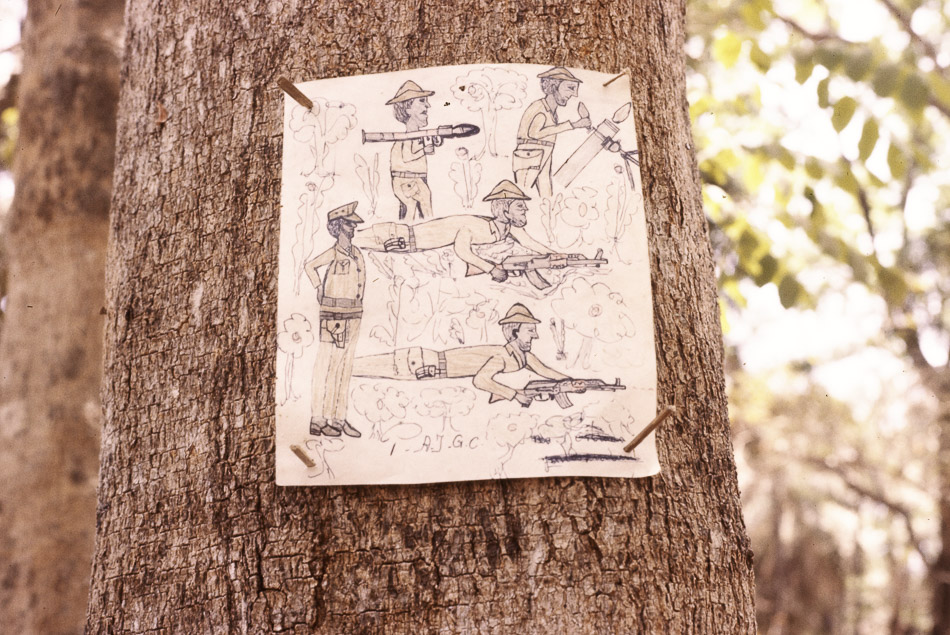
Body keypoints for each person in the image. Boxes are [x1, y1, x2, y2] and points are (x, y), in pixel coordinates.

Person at [352, 303, 570, 405]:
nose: (535, 336)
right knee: (351, 368)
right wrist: (514, 394)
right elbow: (481, 380)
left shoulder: (521, 356)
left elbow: (545, 370)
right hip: (418, 364)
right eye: (530, 331)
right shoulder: (502, 357)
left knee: (349, 369)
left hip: (425, 365)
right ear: (514, 332)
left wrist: (576, 382)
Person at [352, 179, 554, 282]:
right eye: (519, 206)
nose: (526, 209)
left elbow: (530, 243)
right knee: (351, 240)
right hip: (394, 237)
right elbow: (463, 251)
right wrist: (491, 269)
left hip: (404, 245)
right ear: (504, 209)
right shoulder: (478, 226)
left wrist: (558, 256)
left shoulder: (505, 228)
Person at [305, 202, 366, 438]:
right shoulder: (334, 252)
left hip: (354, 314)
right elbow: (310, 266)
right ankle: (319, 419)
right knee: (327, 365)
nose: (354, 228)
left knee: (345, 366)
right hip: (333, 315)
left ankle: (338, 419)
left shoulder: (356, 252)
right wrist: (319, 287)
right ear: (339, 226)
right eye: (350, 224)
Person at [512, 67, 591, 198]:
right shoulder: (540, 108)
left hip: (543, 152)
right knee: (522, 193)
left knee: (546, 193)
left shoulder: (551, 110)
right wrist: (574, 125)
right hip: (529, 154)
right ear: (554, 86)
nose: (574, 94)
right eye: (570, 88)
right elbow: (534, 134)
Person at [387, 80, 442, 220]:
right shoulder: (407, 137)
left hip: (416, 179)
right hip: (408, 180)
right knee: (415, 213)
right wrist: (425, 149)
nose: (427, 105)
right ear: (408, 108)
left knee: (420, 214)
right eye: (422, 101)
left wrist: (433, 141)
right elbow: (407, 156)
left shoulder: (416, 135)